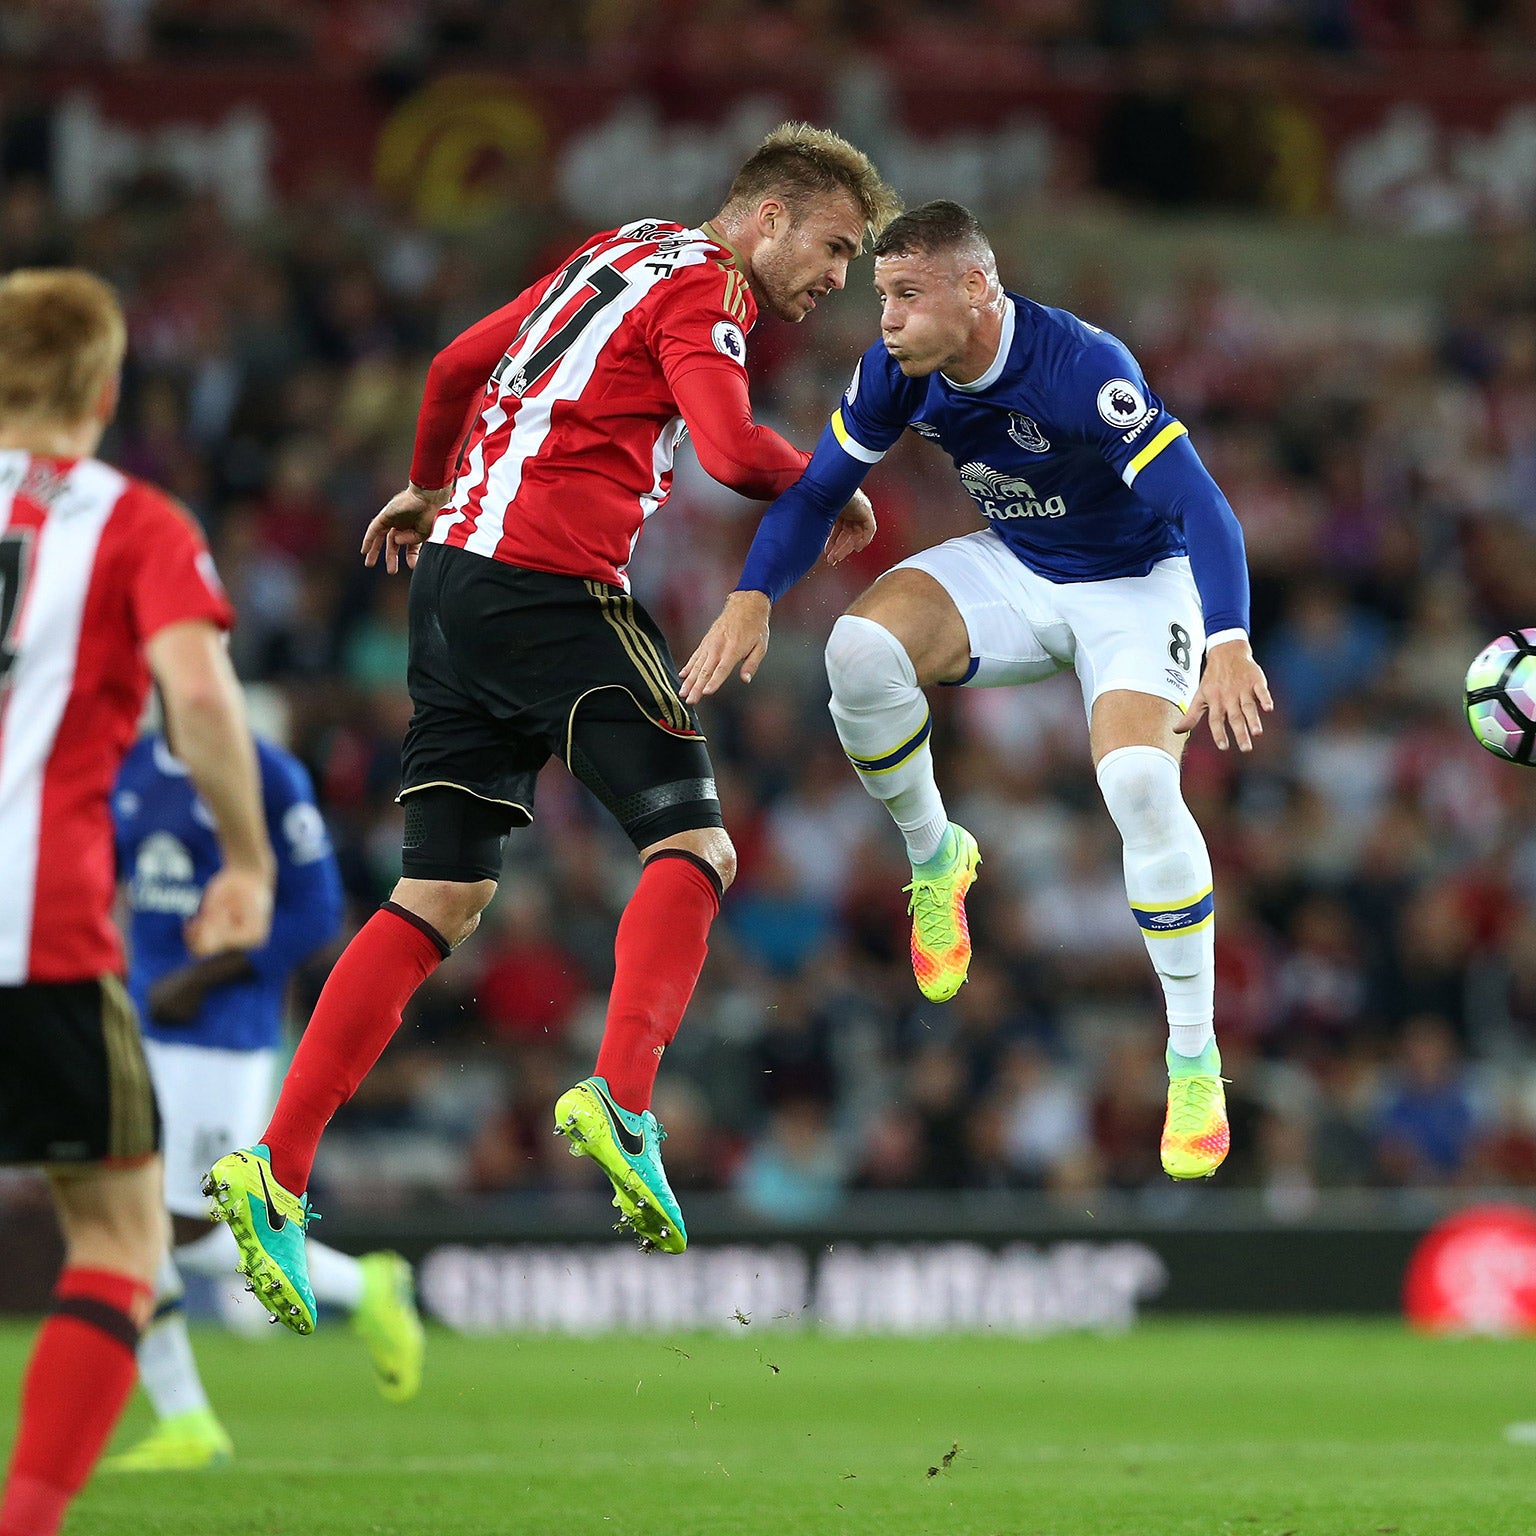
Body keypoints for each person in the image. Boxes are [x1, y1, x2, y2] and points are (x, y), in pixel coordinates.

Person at [205, 123, 898, 1335]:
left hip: (454, 587)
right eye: (834, 247)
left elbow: (450, 369)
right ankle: (623, 1098)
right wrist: (823, 483)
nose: (836, 277)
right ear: (769, 216)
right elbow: (732, 450)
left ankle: (277, 1167)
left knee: (437, 899)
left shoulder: (618, 249)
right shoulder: (709, 284)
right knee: (696, 844)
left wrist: (429, 482)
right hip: (552, 587)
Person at [684, 201, 1271, 1182]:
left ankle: (1192, 1057)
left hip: (1133, 585)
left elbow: (1198, 502)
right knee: (856, 654)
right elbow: (819, 491)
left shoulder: (1082, 366)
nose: (887, 319)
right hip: (1018, 567)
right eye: (882, 296)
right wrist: (751, 597)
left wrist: (1228, 638)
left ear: (974, 290)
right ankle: (934, 859)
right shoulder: (895, 374)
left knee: (1136, 787)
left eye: (907, 296)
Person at [0, 269, 271, 1536]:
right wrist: (246, 859)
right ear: (106, 390)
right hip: (35, 921)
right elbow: (201, 699)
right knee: (115, 1233)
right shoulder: (133, 522)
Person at [103, 719, 425, 1472]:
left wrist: (206, 976)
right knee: (132, 1216)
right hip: (140, 1025)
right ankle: (187, 1420)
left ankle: (363, 1286)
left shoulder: (267, 773)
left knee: (178, 1228)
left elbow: (316, 914)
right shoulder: (130, 769)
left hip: (227, 1036)